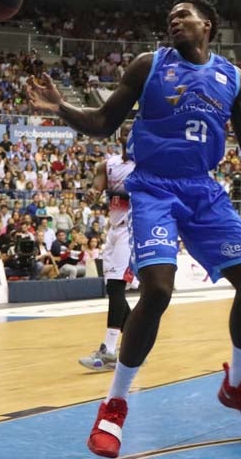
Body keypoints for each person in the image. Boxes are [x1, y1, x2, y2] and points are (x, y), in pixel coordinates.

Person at [26, 0, 241, 459]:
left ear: (208, 25)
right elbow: (105, 123)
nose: (174, 19)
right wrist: (60, 107)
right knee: (159, 290)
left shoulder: (232, 77)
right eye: (171, 15)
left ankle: (237, 384)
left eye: (184, 14)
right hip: (153, 188)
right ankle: (114, 406)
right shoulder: (149, 64)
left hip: (202, 190)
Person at [79, 135, 136, 373]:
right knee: (114, 291)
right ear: (123, 139)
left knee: (115, 289)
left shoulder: (145, 165)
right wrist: (93, 190)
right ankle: (139, 344)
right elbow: (98, 177)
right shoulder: (110, 163)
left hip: (130, 231)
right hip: (112, 230)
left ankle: (110, 350)